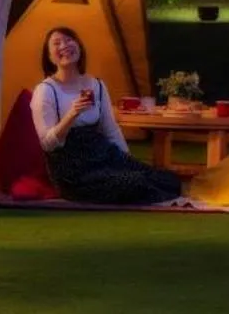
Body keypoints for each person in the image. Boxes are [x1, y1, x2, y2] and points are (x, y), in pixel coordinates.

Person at [31, 28, 183, 205]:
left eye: (69, 40)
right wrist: (71, 115)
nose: (64, 45)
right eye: (57, 43)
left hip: (103, 154)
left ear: (79, 46)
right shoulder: (46, 91)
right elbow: (47, 144)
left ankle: (134, 178)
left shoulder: (96, 85)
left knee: (168, 179)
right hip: (73, 169)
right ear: (49, 57)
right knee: (135, 183)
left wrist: (127, 160)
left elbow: (110, 129)